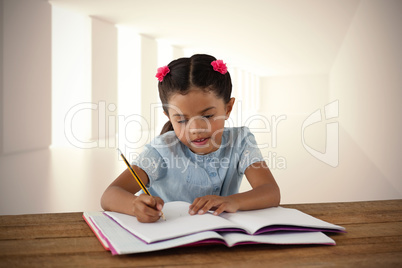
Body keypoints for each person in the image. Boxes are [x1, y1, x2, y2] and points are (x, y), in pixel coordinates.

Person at [101, 54, 280, 223]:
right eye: (182, 120)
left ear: (228, 108)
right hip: (170, 236)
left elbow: (270, 191)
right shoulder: (162, 150)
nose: (196, 129)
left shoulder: (240, 141)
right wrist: (134, 206)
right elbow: (109, 195)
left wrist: (233, 201)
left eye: (208, 116)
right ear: (169, 116)